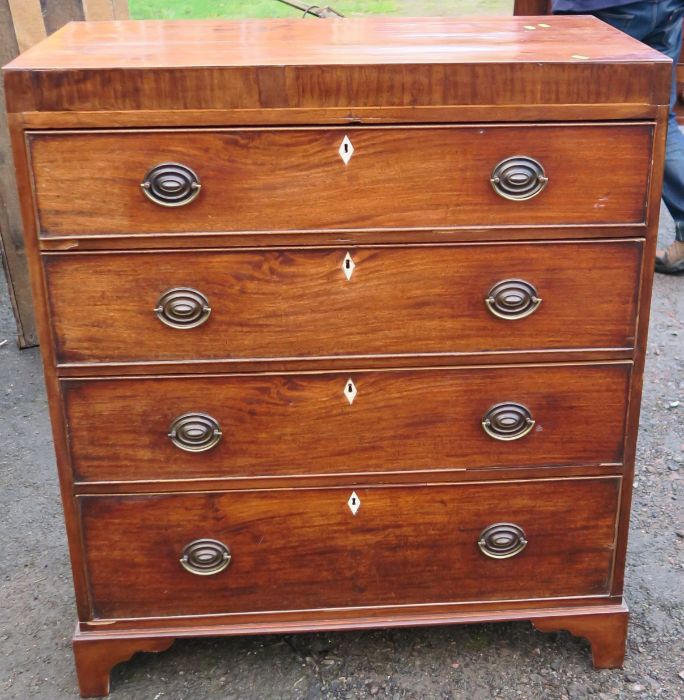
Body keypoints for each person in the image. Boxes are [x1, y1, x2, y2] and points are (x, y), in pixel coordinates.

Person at [554, 0, 684, 273]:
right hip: (665, 6)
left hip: (604, 8)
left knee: (581, 118)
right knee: (661, 118)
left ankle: (581, 242)